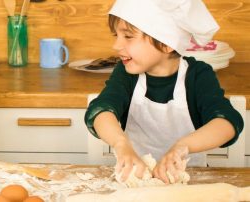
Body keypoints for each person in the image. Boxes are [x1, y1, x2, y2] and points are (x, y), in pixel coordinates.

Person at [85, 0, 244, 184]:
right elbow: (101, 111)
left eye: (128, 36)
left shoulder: (198, 76)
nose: (116, 45)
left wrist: (182, 147)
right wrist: (121, 144)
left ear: (166, 43)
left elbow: (227, 123)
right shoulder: (127, 73)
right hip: (136, 181)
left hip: (190, 182)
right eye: (116, 35)